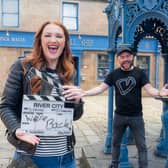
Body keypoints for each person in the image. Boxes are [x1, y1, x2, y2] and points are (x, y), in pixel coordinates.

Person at [63, 47, 168, 168]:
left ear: (132, 57)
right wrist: (84, 93)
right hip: (119, 116)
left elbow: (149, 89)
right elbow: (101, 88)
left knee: (142, 146)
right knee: (115, 143)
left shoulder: (139, 73)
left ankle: (143, 166)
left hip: (136, 117)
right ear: (118, 59)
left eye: (128, 56)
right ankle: (114, 165)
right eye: (122, 57)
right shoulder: (114, 74)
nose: (125, 59)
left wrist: (160, 93)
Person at [0, 21, 83, 168]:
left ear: (65, 42)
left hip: (67, 157)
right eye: (48, 35)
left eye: (59, 36)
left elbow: (74, 116)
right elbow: (5, 106)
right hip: (31, 157)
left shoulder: (70, 72)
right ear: (40, 41)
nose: (53, 40)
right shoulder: (22, 67)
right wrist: (17, 129)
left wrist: (77, 102)